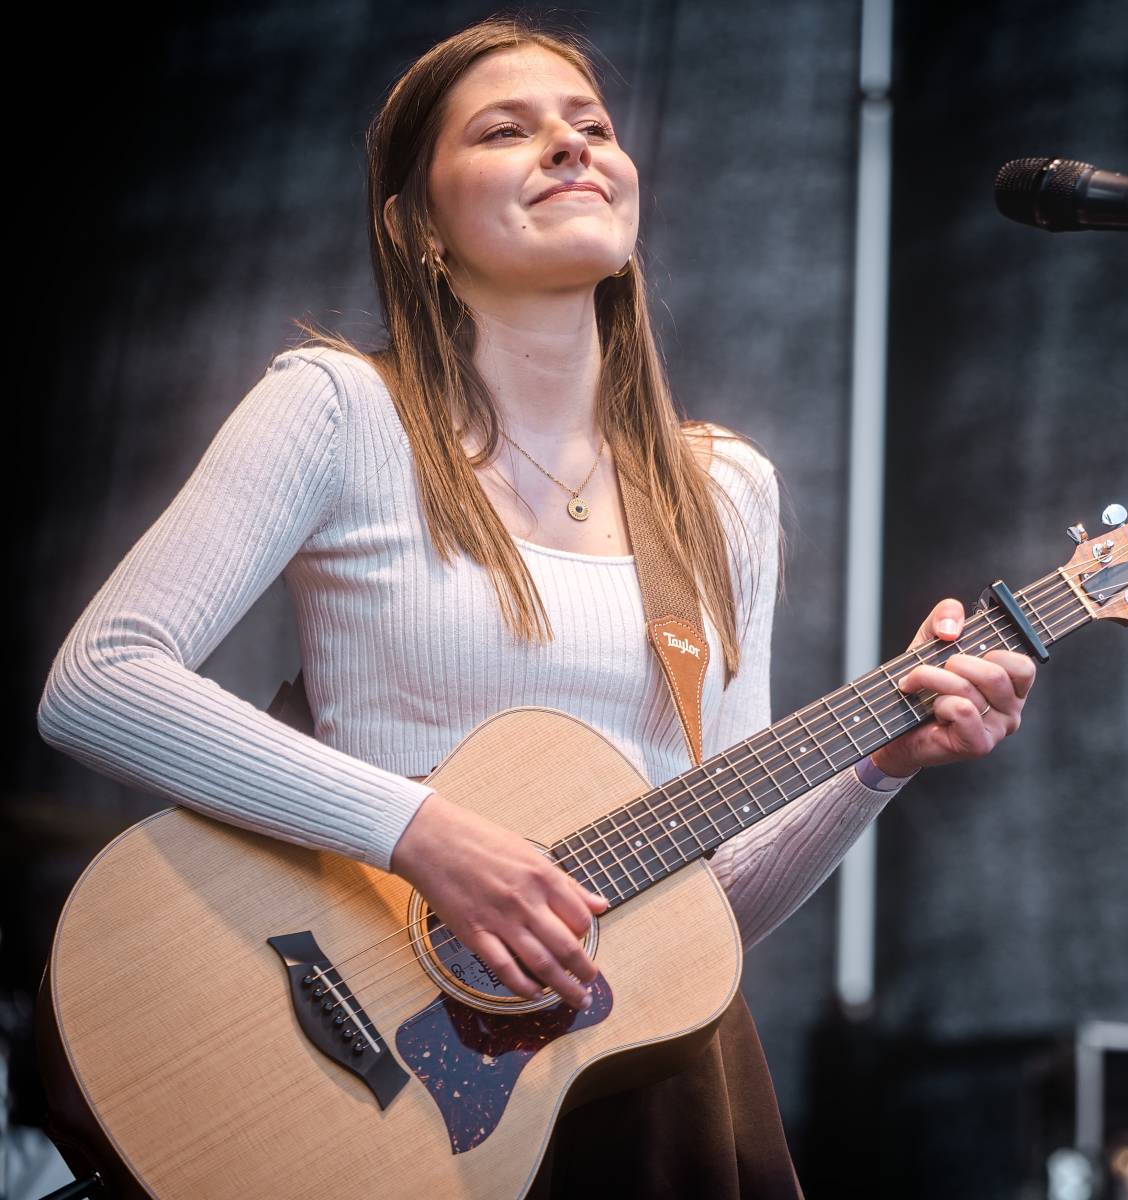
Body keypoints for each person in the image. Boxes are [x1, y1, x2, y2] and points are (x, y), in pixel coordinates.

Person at [36, 15, 1036, 1198]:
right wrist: (426, 837)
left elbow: (705, 910)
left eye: (592, 127)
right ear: (415, 226)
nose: (571, 146)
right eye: (506, 131)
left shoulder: (724, 490)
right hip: (356, 1073)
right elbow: (98, 681)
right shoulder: (340, 411)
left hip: (628, 1095)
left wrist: (879, 763)